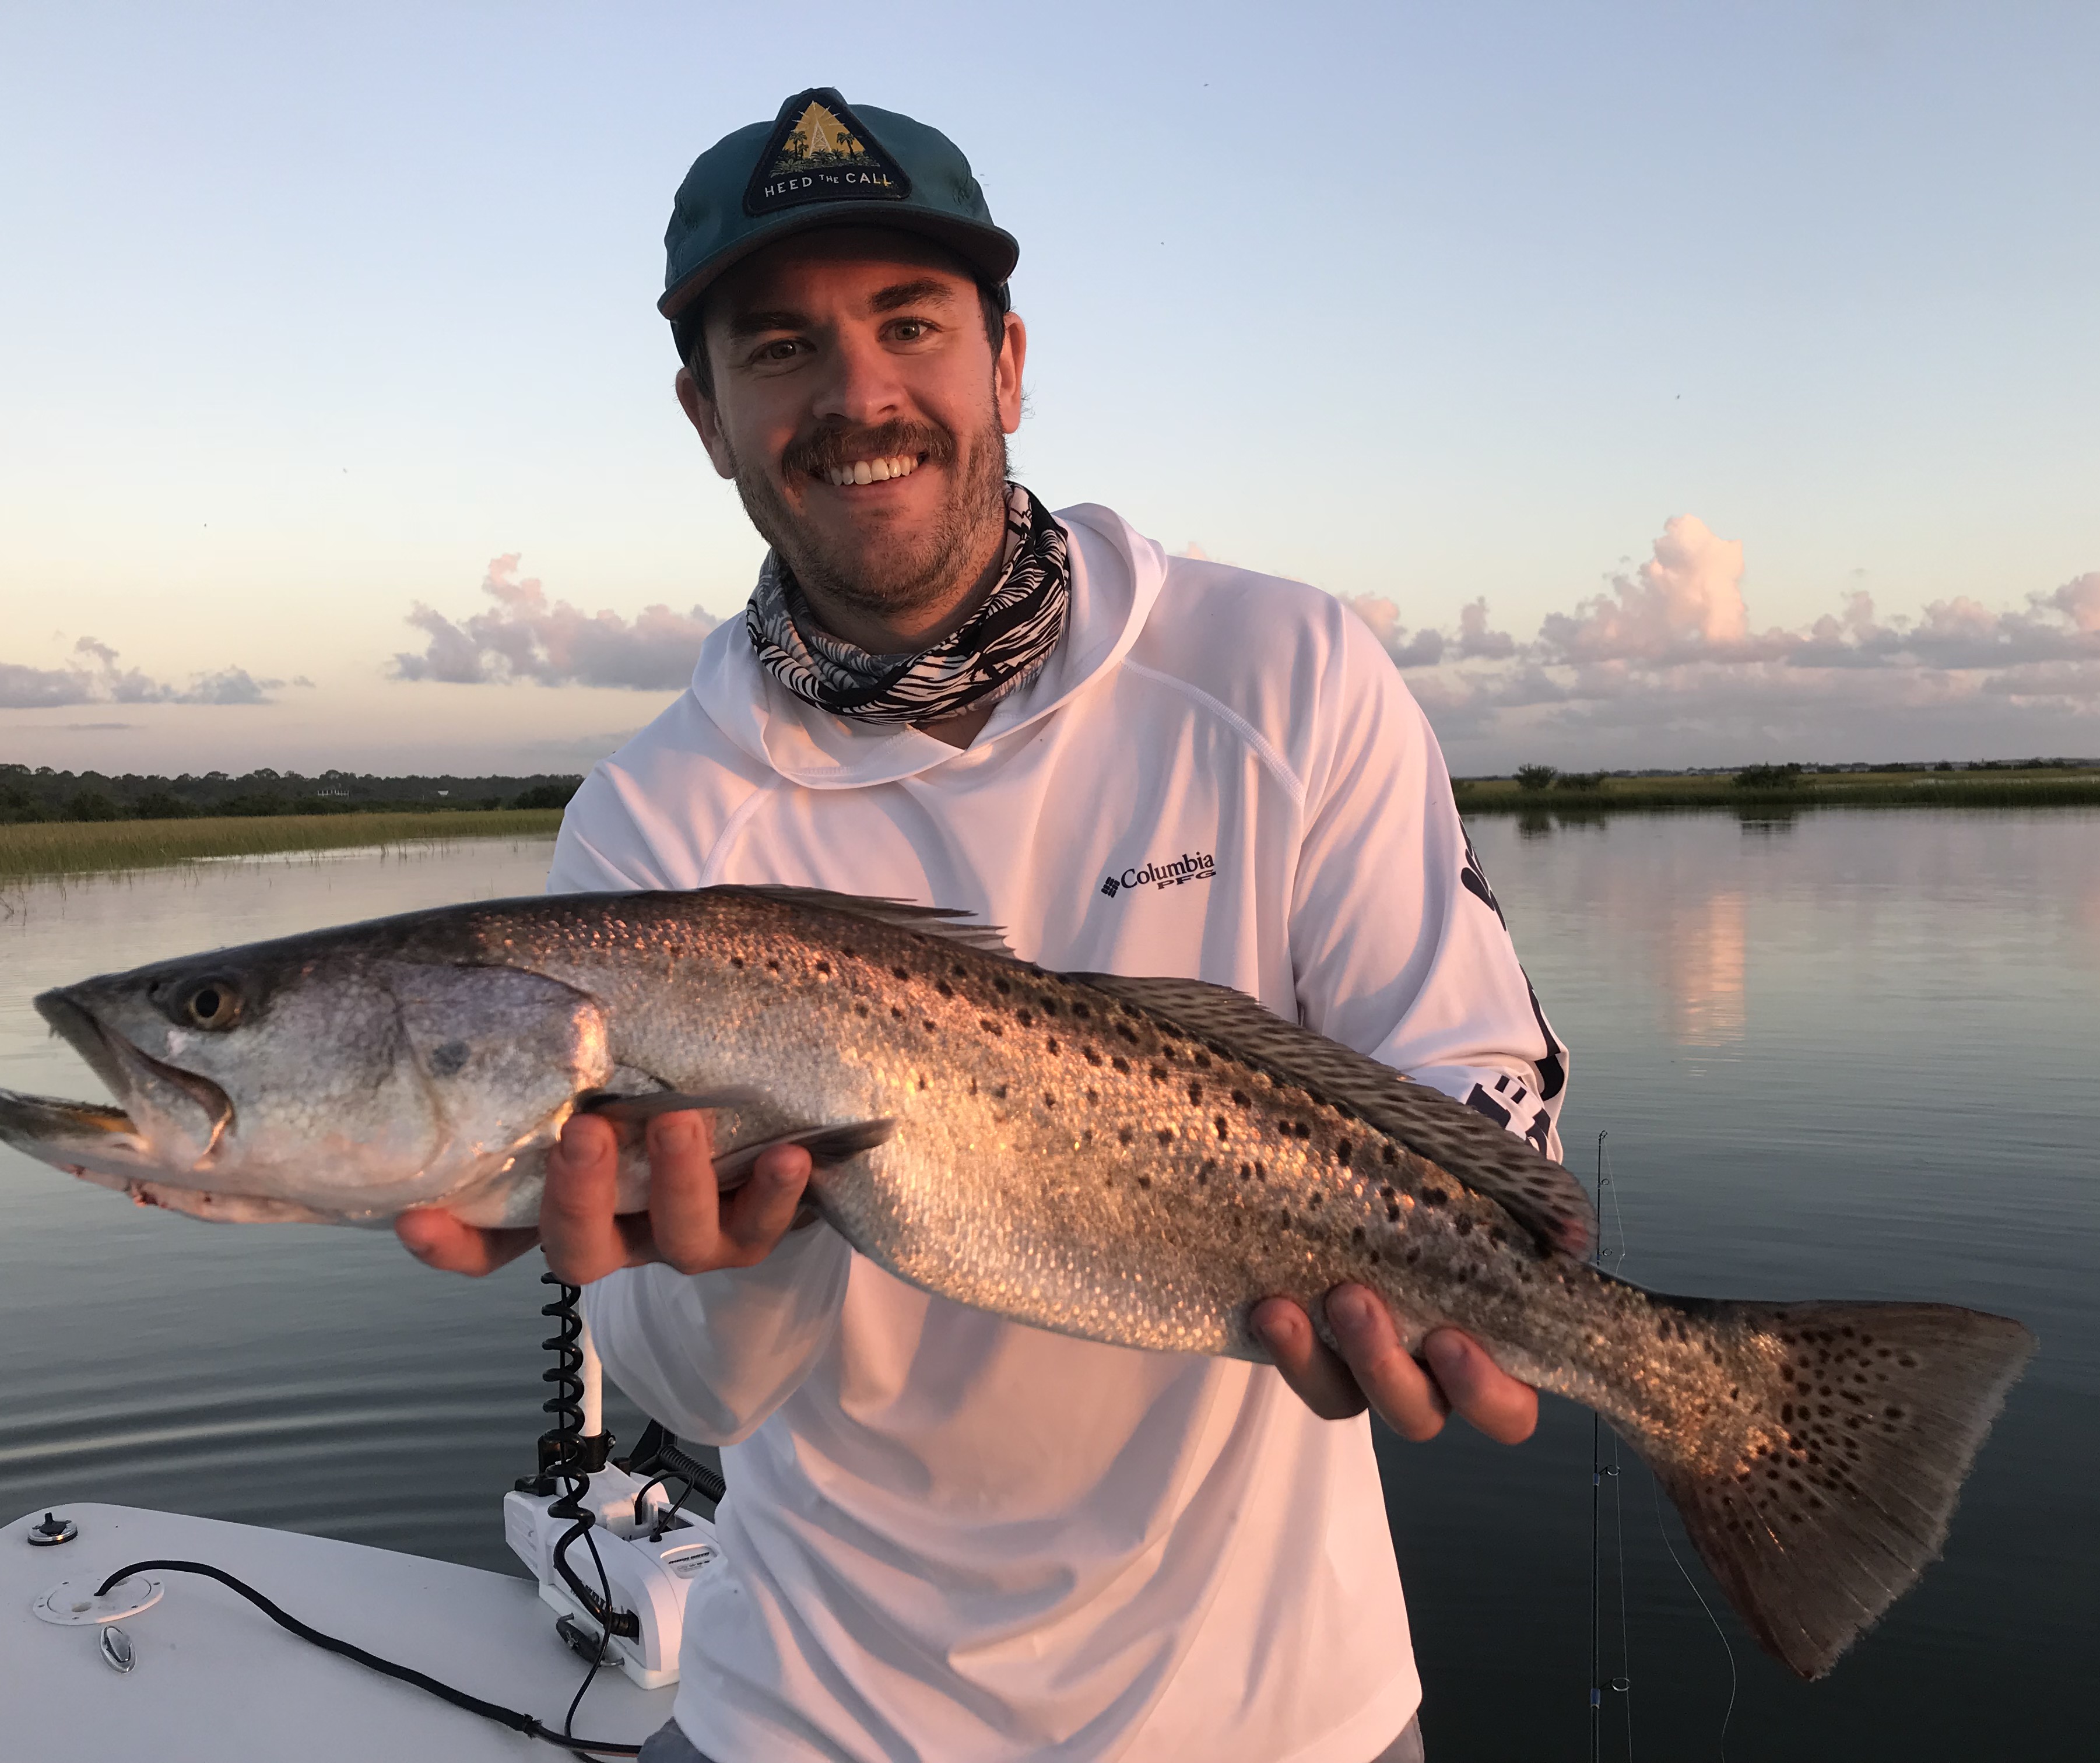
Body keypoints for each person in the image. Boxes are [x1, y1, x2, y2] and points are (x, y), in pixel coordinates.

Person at [398, 87, 1568, 1763]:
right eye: (781, 348)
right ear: (706, 416)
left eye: (909, 324)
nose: (859, 393)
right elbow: (704, 1394)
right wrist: (732, 1256)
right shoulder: (651, 828)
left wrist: (1479, 1286)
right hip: (819, 1716)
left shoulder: (1281, 671)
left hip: (1287, 1713)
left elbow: (1478, 1068)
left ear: (1007, 363)